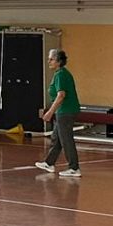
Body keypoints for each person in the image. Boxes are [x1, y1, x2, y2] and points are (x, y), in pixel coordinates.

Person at [36, 48, 81, 178]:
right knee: (57, 139)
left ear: (59, 61)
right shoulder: (60, 74)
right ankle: (49, 163)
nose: (49, 61)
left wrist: (50, 112)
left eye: (52, 59)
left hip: (66, 112)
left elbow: (61, 95)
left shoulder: (61, 75)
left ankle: (74, 167)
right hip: (63, 111)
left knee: (66, 139)